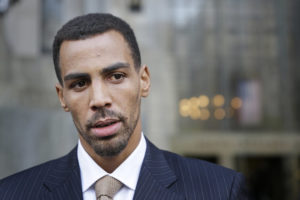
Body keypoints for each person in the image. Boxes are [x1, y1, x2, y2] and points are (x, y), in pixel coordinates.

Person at [0, 13, 249, 200]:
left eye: (116, 76)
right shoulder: (12, 194)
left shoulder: (220, 190)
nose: (99, 99)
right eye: (79, 83)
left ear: (143, 81)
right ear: (62, 97)